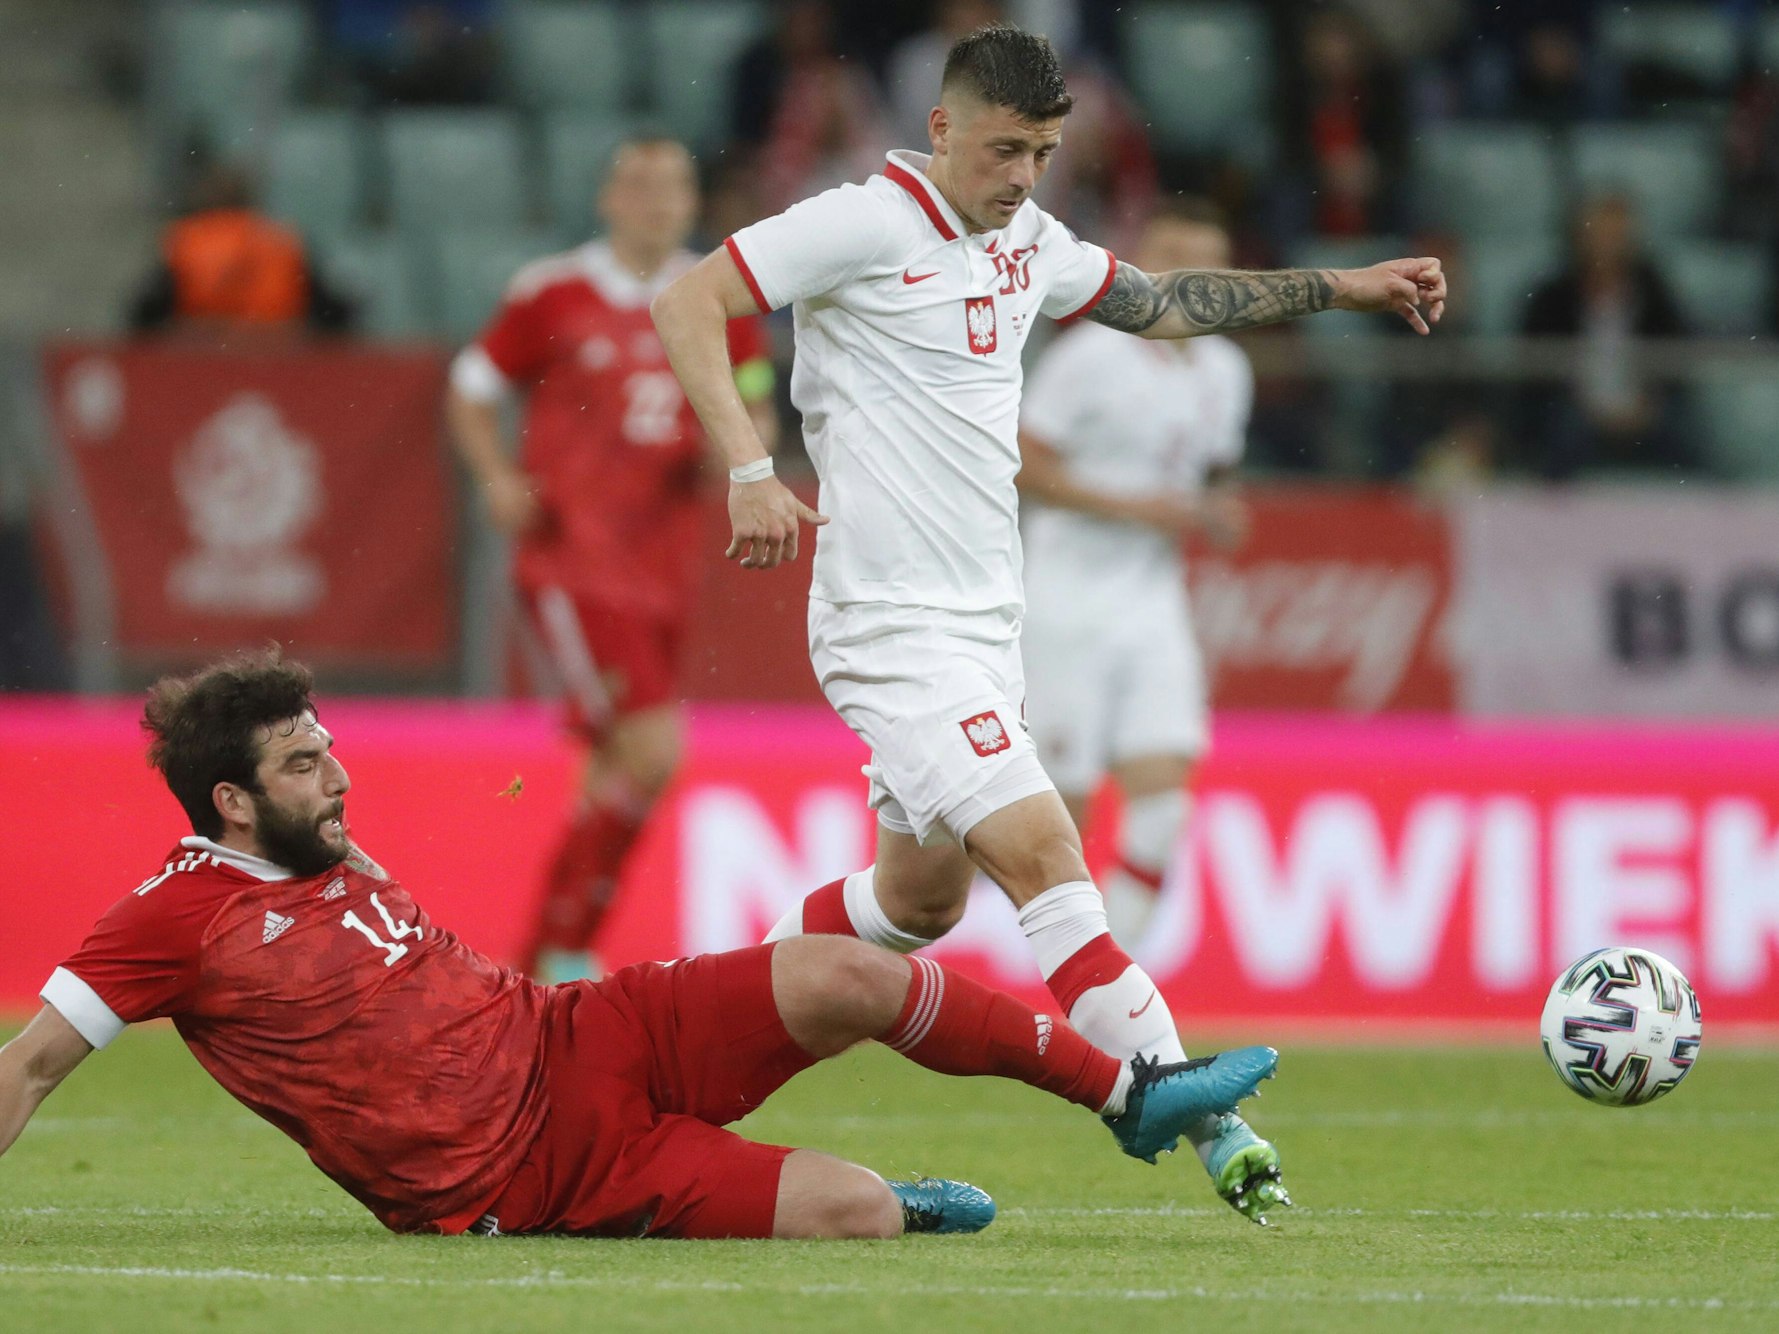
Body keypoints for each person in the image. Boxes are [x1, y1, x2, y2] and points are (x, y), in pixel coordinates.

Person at [650, 21, 1443, 1226]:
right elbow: (690, 298)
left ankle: (697, 1005)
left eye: (1044, 153)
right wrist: (752, 466)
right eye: (1005, 150)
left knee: (917, 903)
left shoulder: (1029, 240)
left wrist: (1345, 284)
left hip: (986, 626)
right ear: (942, 129)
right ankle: (1194, 1110)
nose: (1022, 176)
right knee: (1048, 853)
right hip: (891, 623)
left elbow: (1165, 300)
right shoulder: (861, 221)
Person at [0, 648, 1279, 1240]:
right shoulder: (170, 917)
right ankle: (893, 1202)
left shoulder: (332, 852)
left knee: (854, 971)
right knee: (849, 1215)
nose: (337, 773)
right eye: (302, 761)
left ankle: (1130, 1091)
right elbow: (31, 1063)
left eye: (328, 743)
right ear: (231, 802)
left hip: (575, 1030)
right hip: (524, 1178)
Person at [445, 136, 778, 984]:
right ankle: (559, 949)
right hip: (574, 563)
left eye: (674, 186)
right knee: (656, 751)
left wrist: (742, 450)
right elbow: (473, 385)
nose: (657, 202)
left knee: (618, 769)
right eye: (639, 185)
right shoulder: (553, 292)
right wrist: (495, 475)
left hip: (663, 570)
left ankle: (547, 959)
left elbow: (750, 400)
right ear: (608, 198)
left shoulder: (718, 298)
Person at [1014, 198, 1251, 949]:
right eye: (1176, 257)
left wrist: (1215, 513)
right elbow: (1022, 463)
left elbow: (1208, 475)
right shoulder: (1091, 354)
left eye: (1207, 260)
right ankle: (1061, 976)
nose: (1191, 277)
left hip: (1152, 604)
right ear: (1143, 262)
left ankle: (1112, 989)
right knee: (1060, 818)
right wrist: (1133, 508)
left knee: (1163, 805)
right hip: (1063, 602)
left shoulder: (1226, 367)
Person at [1519, 193, 1688, 479]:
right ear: (1579, 236)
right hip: (1576, 410)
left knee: (1685, 433)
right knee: (1560, 429)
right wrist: (1587, 406)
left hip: (1643, 412)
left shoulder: (1654, 292)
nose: (1608, 244)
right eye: (1600, 234)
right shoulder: (1552, 296)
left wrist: (1648, 405)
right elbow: (1534, 371)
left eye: (1617, 235)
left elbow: (1678, 358)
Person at [127, 161, 356, 335]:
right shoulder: (283, 240)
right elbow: (330, 310)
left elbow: (146, 311)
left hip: (200, 355)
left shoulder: (186, 241)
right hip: (278, 355)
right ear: (249, 199)